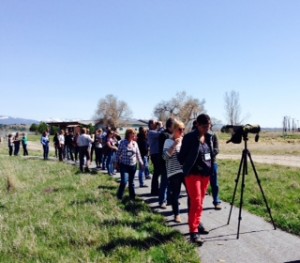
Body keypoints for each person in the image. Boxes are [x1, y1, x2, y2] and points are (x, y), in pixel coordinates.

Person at [178, 113, 213, 245]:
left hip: (205, 174)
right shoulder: (189, 138)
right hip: (193, 174)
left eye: (209, 126)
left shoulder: (209, 137)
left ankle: (197, 224)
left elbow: (211, 154)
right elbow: (181, 157)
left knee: (201, 202)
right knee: (196, 202)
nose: (207, 129)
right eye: (204, 126)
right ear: (197, 124)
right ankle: (193, 232)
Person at [162, 119, 185, 223]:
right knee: (175, 194)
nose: (182, 132)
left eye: (183, 129)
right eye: (180, 129)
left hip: (184, 171)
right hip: (173, 172)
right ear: (174, 130)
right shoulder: (168, 141)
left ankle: (193, 218)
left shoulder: (184, 140)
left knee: (191, 194)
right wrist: (174, 145)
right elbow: (165, 157)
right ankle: (177, 215)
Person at [116, 128, 144, 200]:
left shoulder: (135, 143)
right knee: (124, 181)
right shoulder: (122, 143)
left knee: (131, 182)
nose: (134, 135)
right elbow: (118, 153)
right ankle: (119, 197)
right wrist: (116, 163)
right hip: (124, 165)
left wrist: (141, 163)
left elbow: (138, 154)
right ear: (128, 134)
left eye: (134, 134)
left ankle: (132, 197)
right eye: (132, 133)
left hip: (133, 166)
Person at [158, 117, 174, 209]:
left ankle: (169, 199)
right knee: (164, 182)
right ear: (170, 126)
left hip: (172, 162)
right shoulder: (164, 135)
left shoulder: (173, 134)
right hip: (165, 161)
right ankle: (162, 201)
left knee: (170, 182)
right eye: (174, 125)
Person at [147, 120, 162, 195]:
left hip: (156, 154)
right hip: (155, 154)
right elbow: (161, 134)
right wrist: (161, 126)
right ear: (150, 125)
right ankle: (154, 189)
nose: (156, 123)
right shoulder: (151, 132)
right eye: (154, 123)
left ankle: (155, 189)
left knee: (157, 172)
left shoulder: (155, 131)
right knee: (157, 172)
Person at [210, 127, 222, 210]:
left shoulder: (213, 135)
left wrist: (209, 155)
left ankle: (216, 201)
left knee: (215, 184)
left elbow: (217, 149)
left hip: (212, 162)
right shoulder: (197, 135)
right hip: (200, 164)